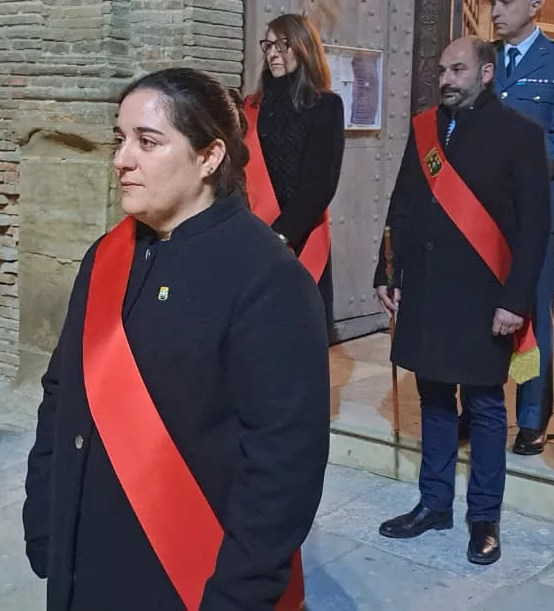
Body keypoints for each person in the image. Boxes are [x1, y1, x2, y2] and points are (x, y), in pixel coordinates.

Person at [23, 67, 329, 611]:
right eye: (121, 139)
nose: (121, 159)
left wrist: (237, 597)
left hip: (184, 573)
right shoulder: (106, 255)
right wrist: (43, 515)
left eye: (148, 141)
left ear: (209, 157)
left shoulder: (268, 278)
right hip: (83, 552)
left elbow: (283, 467)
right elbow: (60, 393)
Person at [374, 37, 551, 566]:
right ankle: (434, 504)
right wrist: (388, 270)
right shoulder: (427, 127)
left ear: (487, 73)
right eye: (442, 69)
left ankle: (483, 518)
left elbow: (534, 227)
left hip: (484, 297)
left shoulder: (520, 135)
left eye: (458, 69)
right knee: (432, 397)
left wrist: (515, 300)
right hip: (427, 288)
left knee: (485, 407)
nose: (447, 78)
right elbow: (403, 201)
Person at [489, 0, 554, 455]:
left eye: (505, 2)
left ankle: (532, 416)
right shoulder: (482, 59)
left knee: (531, 315)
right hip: (480, 215)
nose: (496, 12)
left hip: (533, 214)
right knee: (479, 310)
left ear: (535, 4)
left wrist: (511, 186)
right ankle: (478, 406)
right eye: (493, 3)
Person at [245, 13, 346, 326]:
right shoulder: (251, 106)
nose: (273, 53)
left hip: (300, 235)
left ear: (303, 47)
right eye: (269, 45)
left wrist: (281, 234)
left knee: (298, 327)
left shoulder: (325, 106)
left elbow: (321, 182)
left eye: (283, 45)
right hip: (255, 233)